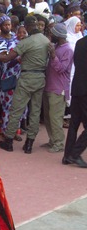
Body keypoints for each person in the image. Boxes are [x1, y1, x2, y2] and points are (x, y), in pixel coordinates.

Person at [0, 15, 50, 154]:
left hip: (27, 77)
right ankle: (29, 144)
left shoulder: (26, 42)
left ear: (28, 27)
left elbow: (6, 58)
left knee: (16, 109)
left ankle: (9, 141)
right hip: (40, 77)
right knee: (35, 111)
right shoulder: (46, 40)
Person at [42, 23, 74, 153]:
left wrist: (54, 55)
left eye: (52, 34)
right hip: (49, 86)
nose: (51, 36)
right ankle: (52, 140)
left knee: (55, 118)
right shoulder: (56, 46)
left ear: (58, 35)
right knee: (48, 117)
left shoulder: (68, 50)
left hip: (58, 89)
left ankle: (59, 143)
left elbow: (61, 69)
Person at [62, 34, 87, 168]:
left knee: (74, 124)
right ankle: (74, 154)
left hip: (77, 86)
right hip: (85, 90)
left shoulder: (80, 42)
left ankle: (67, 156)